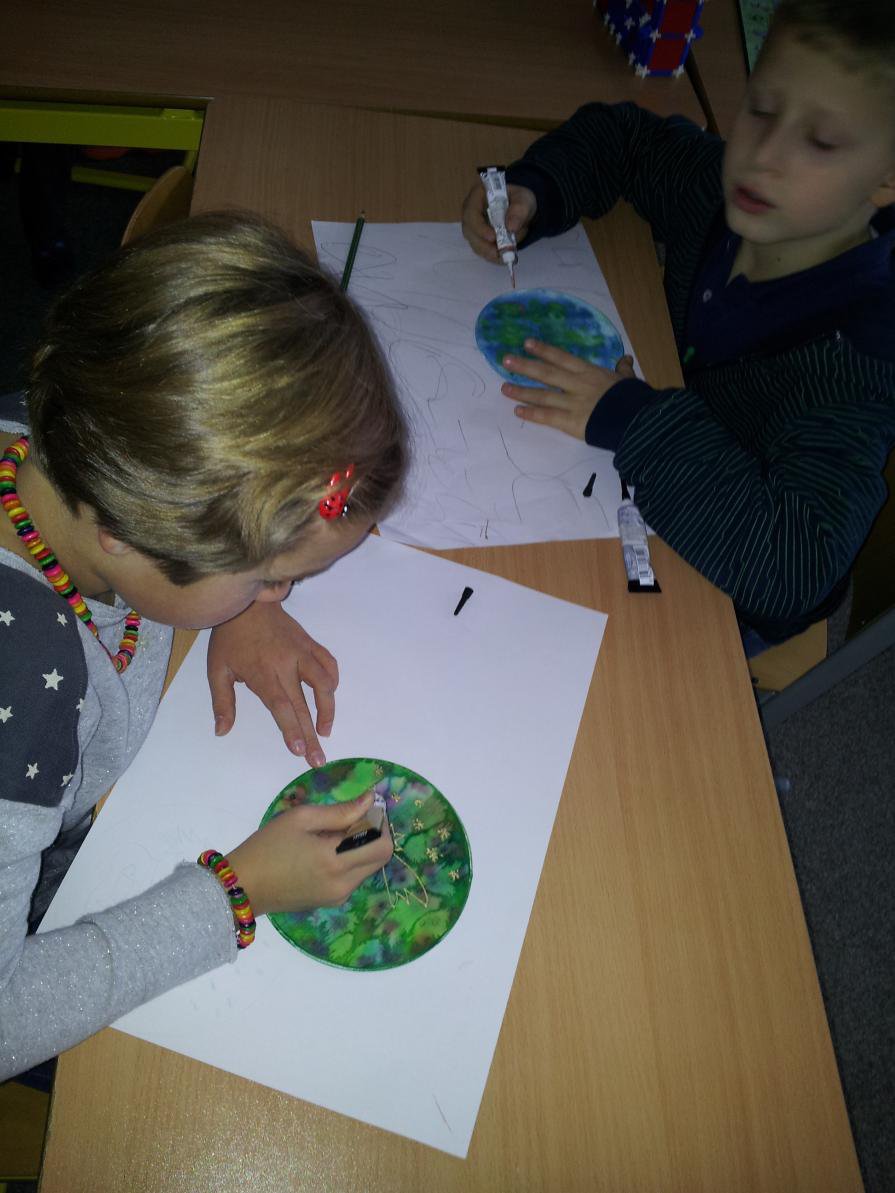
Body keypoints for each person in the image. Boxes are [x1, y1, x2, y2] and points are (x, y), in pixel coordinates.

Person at [0, 211, 405, 1078]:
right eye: (269, 577)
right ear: (131, 534)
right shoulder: (22, 690)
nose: (279, 597)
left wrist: (233, 604)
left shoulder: (71, 430)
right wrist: (234, 894)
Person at [461, 0, 895, 651]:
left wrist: (637, 421)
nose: (763, 155)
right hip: (629, 477)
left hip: (723, 583)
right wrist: (537, 189)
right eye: (761, 109)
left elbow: (793, 567)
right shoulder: (723, 195)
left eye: (821, 142)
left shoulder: (858, 363)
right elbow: (627, 140)